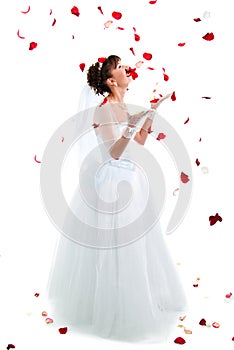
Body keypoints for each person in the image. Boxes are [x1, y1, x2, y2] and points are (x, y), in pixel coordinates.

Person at [46, 55, 188, 343]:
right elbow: (113, 152)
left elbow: (138, 143)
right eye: (121, 68)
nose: (127, 70)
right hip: (111, 181)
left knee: (141, 241)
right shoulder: (104, 110)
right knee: (120, 246)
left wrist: (149, 116)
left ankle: (140, 298)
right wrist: (133, 124)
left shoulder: (124, 107)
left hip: (130, 177)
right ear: (111, 81)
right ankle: (116, 309)